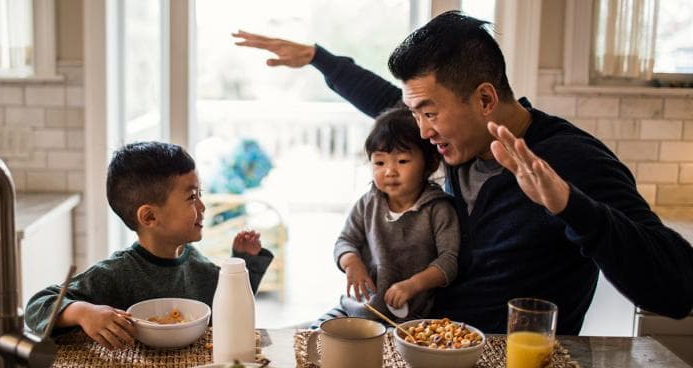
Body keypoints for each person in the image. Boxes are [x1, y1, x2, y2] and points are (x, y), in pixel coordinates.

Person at [233, 12, 693, 335]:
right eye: (416, 114)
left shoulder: (572, 161)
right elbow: (386, 103)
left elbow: (676, 289)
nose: (420, 131)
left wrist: (571, 206)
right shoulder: (457, 137)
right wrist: (320, 58)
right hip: (418, 343)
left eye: (429, 113)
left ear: (486, 99)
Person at [25, 142, 274, 349]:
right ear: (150, 217)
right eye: (191, 197)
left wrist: (242, 262)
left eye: (200, 194)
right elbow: (37, 306)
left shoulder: (196, 263)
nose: (202, 207)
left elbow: (232, 307)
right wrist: (82, 312)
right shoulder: (115, 274)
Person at [313, 106, 459, 328]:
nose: (390, 171)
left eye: (402, 161)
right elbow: (345, 241)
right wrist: (352, 263)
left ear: (429, 163)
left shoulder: (438, 209)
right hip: (357, 309)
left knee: (397, 358)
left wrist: (413, 285)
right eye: (380, 163)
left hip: (411, 320)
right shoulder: (368, 203)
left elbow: (449, 261)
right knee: (316, 334)